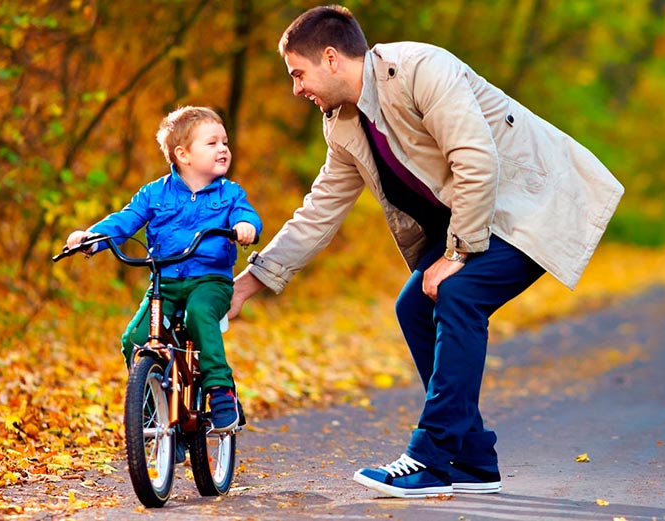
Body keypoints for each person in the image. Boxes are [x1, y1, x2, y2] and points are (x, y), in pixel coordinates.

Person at [230, 5, 624, 497]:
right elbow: (320, 210)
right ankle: (475, 459)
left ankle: (430, 456)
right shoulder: (344, 124)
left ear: (330, 58)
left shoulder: (418, 68)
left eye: (298, 74)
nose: (296, 89)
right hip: (480, 218)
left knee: (457, 294)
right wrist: (253, 280)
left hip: (530, 204)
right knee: (414, 305)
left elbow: (475, 159)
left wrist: (455, 255)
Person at [66, 106, 262, 433]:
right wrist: (92, 238)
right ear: (183, 154)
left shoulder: (230, 194)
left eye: (225, 142)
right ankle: (152, 403)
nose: (223, 149)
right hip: (165, 282)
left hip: (209, 281)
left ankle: (219, 388)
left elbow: (248, 215)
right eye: (212, 143)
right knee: (136, 338)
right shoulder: (154, 193)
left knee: (200, 314)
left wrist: (245, 226)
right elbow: (125, 220)